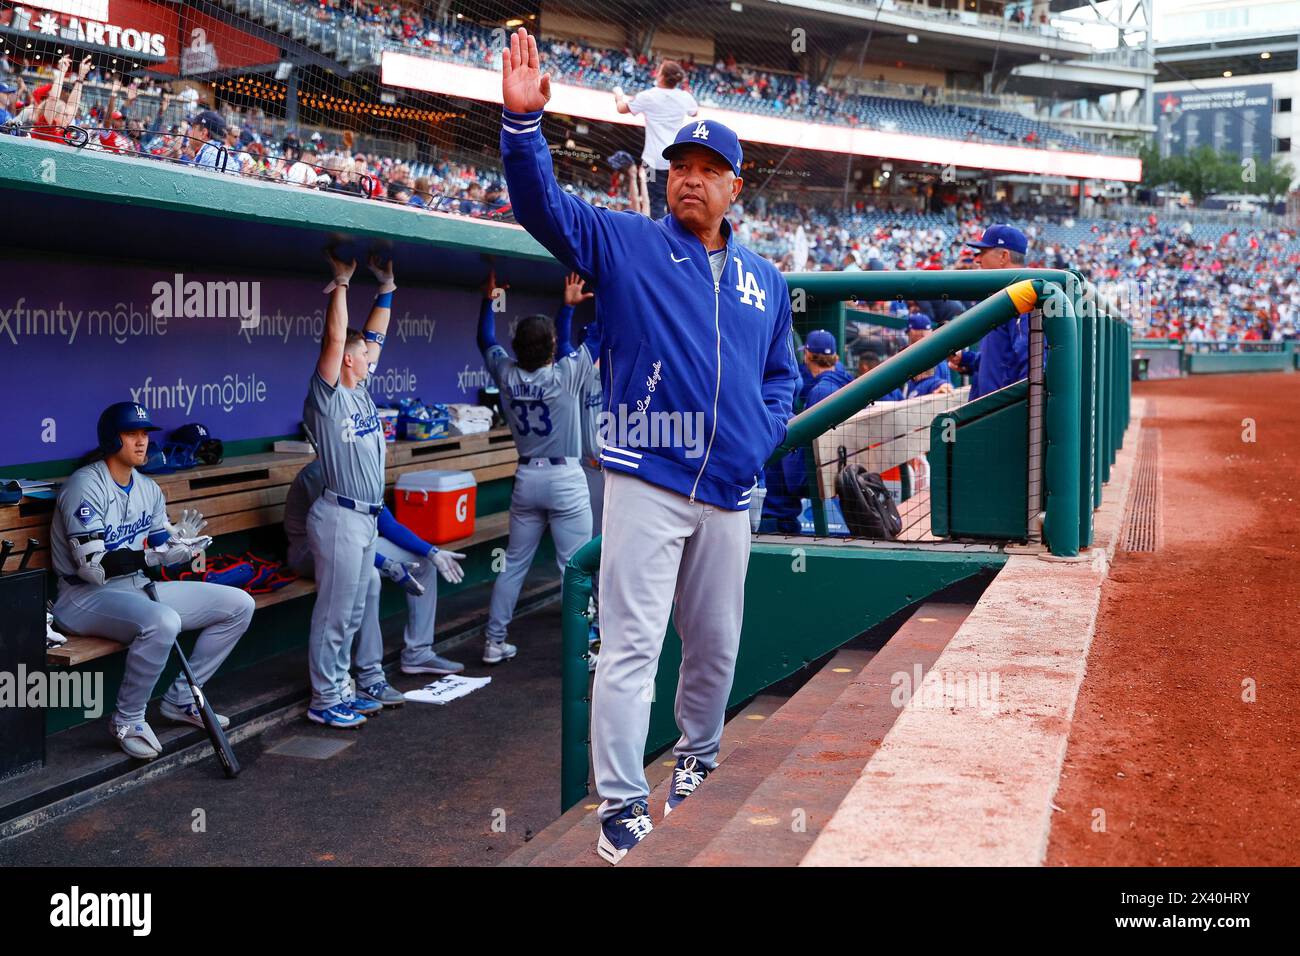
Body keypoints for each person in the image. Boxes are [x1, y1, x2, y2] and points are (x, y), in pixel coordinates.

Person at [500, 27, 798, 864]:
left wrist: (763, 435)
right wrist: (523, 132)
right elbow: (543, 211)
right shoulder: (628, 244)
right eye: (679, 167)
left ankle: (697, 759)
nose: (689, 179)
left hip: (730, 492)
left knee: (715, 646)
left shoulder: (764, 280)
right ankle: (623, 803)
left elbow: (782, 377)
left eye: (706, 170)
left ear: (734, 187)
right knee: (631, 646)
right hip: (647, 478)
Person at [50, 402, 254, 760]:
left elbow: (160, 545)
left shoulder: (148, 489)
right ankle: (127, 719)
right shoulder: (85, 486)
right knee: (163, 621)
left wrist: (180, 547)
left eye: (145, 434)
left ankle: (180, 700)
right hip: (83, 597)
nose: (142, 441)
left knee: (238, 605)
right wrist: (151, 557)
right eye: (132, 434)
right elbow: (93, 569)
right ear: (112, 439)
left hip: (135, 587)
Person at [477, 269, 595, 664]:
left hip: (527, 476)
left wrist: (489, 300)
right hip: (564, 477)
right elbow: (590, 339)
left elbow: (485, 340)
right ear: (550, 347)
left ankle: (494, 642)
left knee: (513, 565)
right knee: (574, 567)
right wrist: (568, 308)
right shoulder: (563, 375)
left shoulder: (507, 374)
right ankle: (585, 645)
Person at [301, 252, 397, 728]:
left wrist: (387, 288)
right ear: (347, 360)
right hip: (338, 513)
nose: (367, 356)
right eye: (361, 354)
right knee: (336, 612)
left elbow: (372, 334)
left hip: (364, 516)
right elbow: (336, 337)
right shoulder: (328, 394)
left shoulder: (359, 389)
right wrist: (340, 283)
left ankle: (342, 688)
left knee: (355, 608)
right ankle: (323, 698)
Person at [283, 461, 466, 708]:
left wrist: (432, 551)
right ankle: (370, 676)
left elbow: (386, 524)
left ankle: (418, 652)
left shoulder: (364, 467)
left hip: (358, 541)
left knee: (423, 563)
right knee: (369, 577)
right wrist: (387, 564)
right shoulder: (319, 473)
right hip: (310, 550)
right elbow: (332, 536)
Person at [760, 330, 852, 534]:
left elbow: (797, 476)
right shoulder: (845, 381)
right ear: (835, 357)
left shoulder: (821, 390)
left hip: (810, 479)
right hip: (840, 472)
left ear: (808, 355)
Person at [948, 224, 1031, 400]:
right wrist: (968, 360)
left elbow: (1031, 367)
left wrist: (1019, 415)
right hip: (990, 410)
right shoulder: (1002, 294)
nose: (977, 260)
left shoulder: (1023, 297)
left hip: (1002, 416)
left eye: (983, 252)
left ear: (1003, 256)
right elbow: (1004, 362)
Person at [612, 59, 699, 219]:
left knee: (653, 203)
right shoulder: (684, 97)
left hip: (651, 161)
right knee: (674, 203)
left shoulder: (647, 96)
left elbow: (621, 108)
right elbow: (694, 112)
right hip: (675, 161)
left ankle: (656, 238)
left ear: (661, 76)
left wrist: (618, 94)